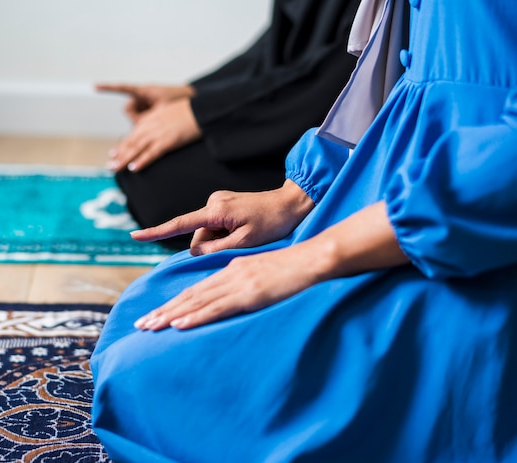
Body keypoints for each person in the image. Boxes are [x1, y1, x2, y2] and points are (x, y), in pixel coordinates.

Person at [91, 0, 517, 461]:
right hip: (396, 184)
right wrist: (298, 195)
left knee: (150, 374)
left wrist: (312, 257)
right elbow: (392, 70)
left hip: (478, 222)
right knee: (147, 310)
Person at [97, 0, 362, 249]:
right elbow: (277, 49)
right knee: (147, 167)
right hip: (283, 118)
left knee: (163, 188)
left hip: (337, 137)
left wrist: (201, 114)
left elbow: (339, 78)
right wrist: (193, 93)